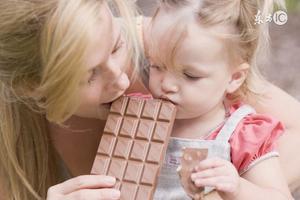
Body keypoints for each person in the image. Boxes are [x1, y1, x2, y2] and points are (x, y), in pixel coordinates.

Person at [141, 0, 293, 199]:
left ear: (234, 78)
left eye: (190, 75)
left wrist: (239, 189)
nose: (167, 85)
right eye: (156, 66)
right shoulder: (137, 117)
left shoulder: (242, 135)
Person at [0, 0, 143, 199]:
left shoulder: (180, 51)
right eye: (89, 76)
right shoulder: (11, 146)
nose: (121, 80)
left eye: (117, 47)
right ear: (31, 88)